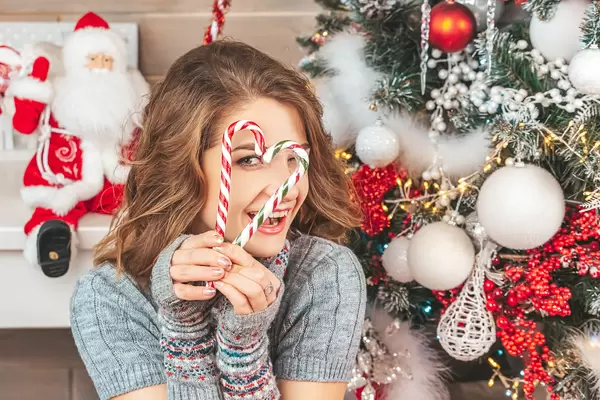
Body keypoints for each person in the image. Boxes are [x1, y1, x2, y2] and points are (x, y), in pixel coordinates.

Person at [70, 40, 367, 400]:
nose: (285, 188)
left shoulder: (325, 275)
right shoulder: (110, 298)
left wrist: (244, 353)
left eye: (293, 158)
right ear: (182, 167)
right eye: (248, 160)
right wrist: (185, 332)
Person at [8, 11, 148, 277]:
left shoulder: (131, 93)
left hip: (113, 180)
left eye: (108, 60)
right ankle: (51, 241)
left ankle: (139, 251)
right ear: (75, 61)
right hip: (64, 179)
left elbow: (145, 136)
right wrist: (33, 86)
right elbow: (24, 124)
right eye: (93, 59)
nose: (100, 67)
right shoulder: (57, 90)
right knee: (55, 207)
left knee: (139, 205)